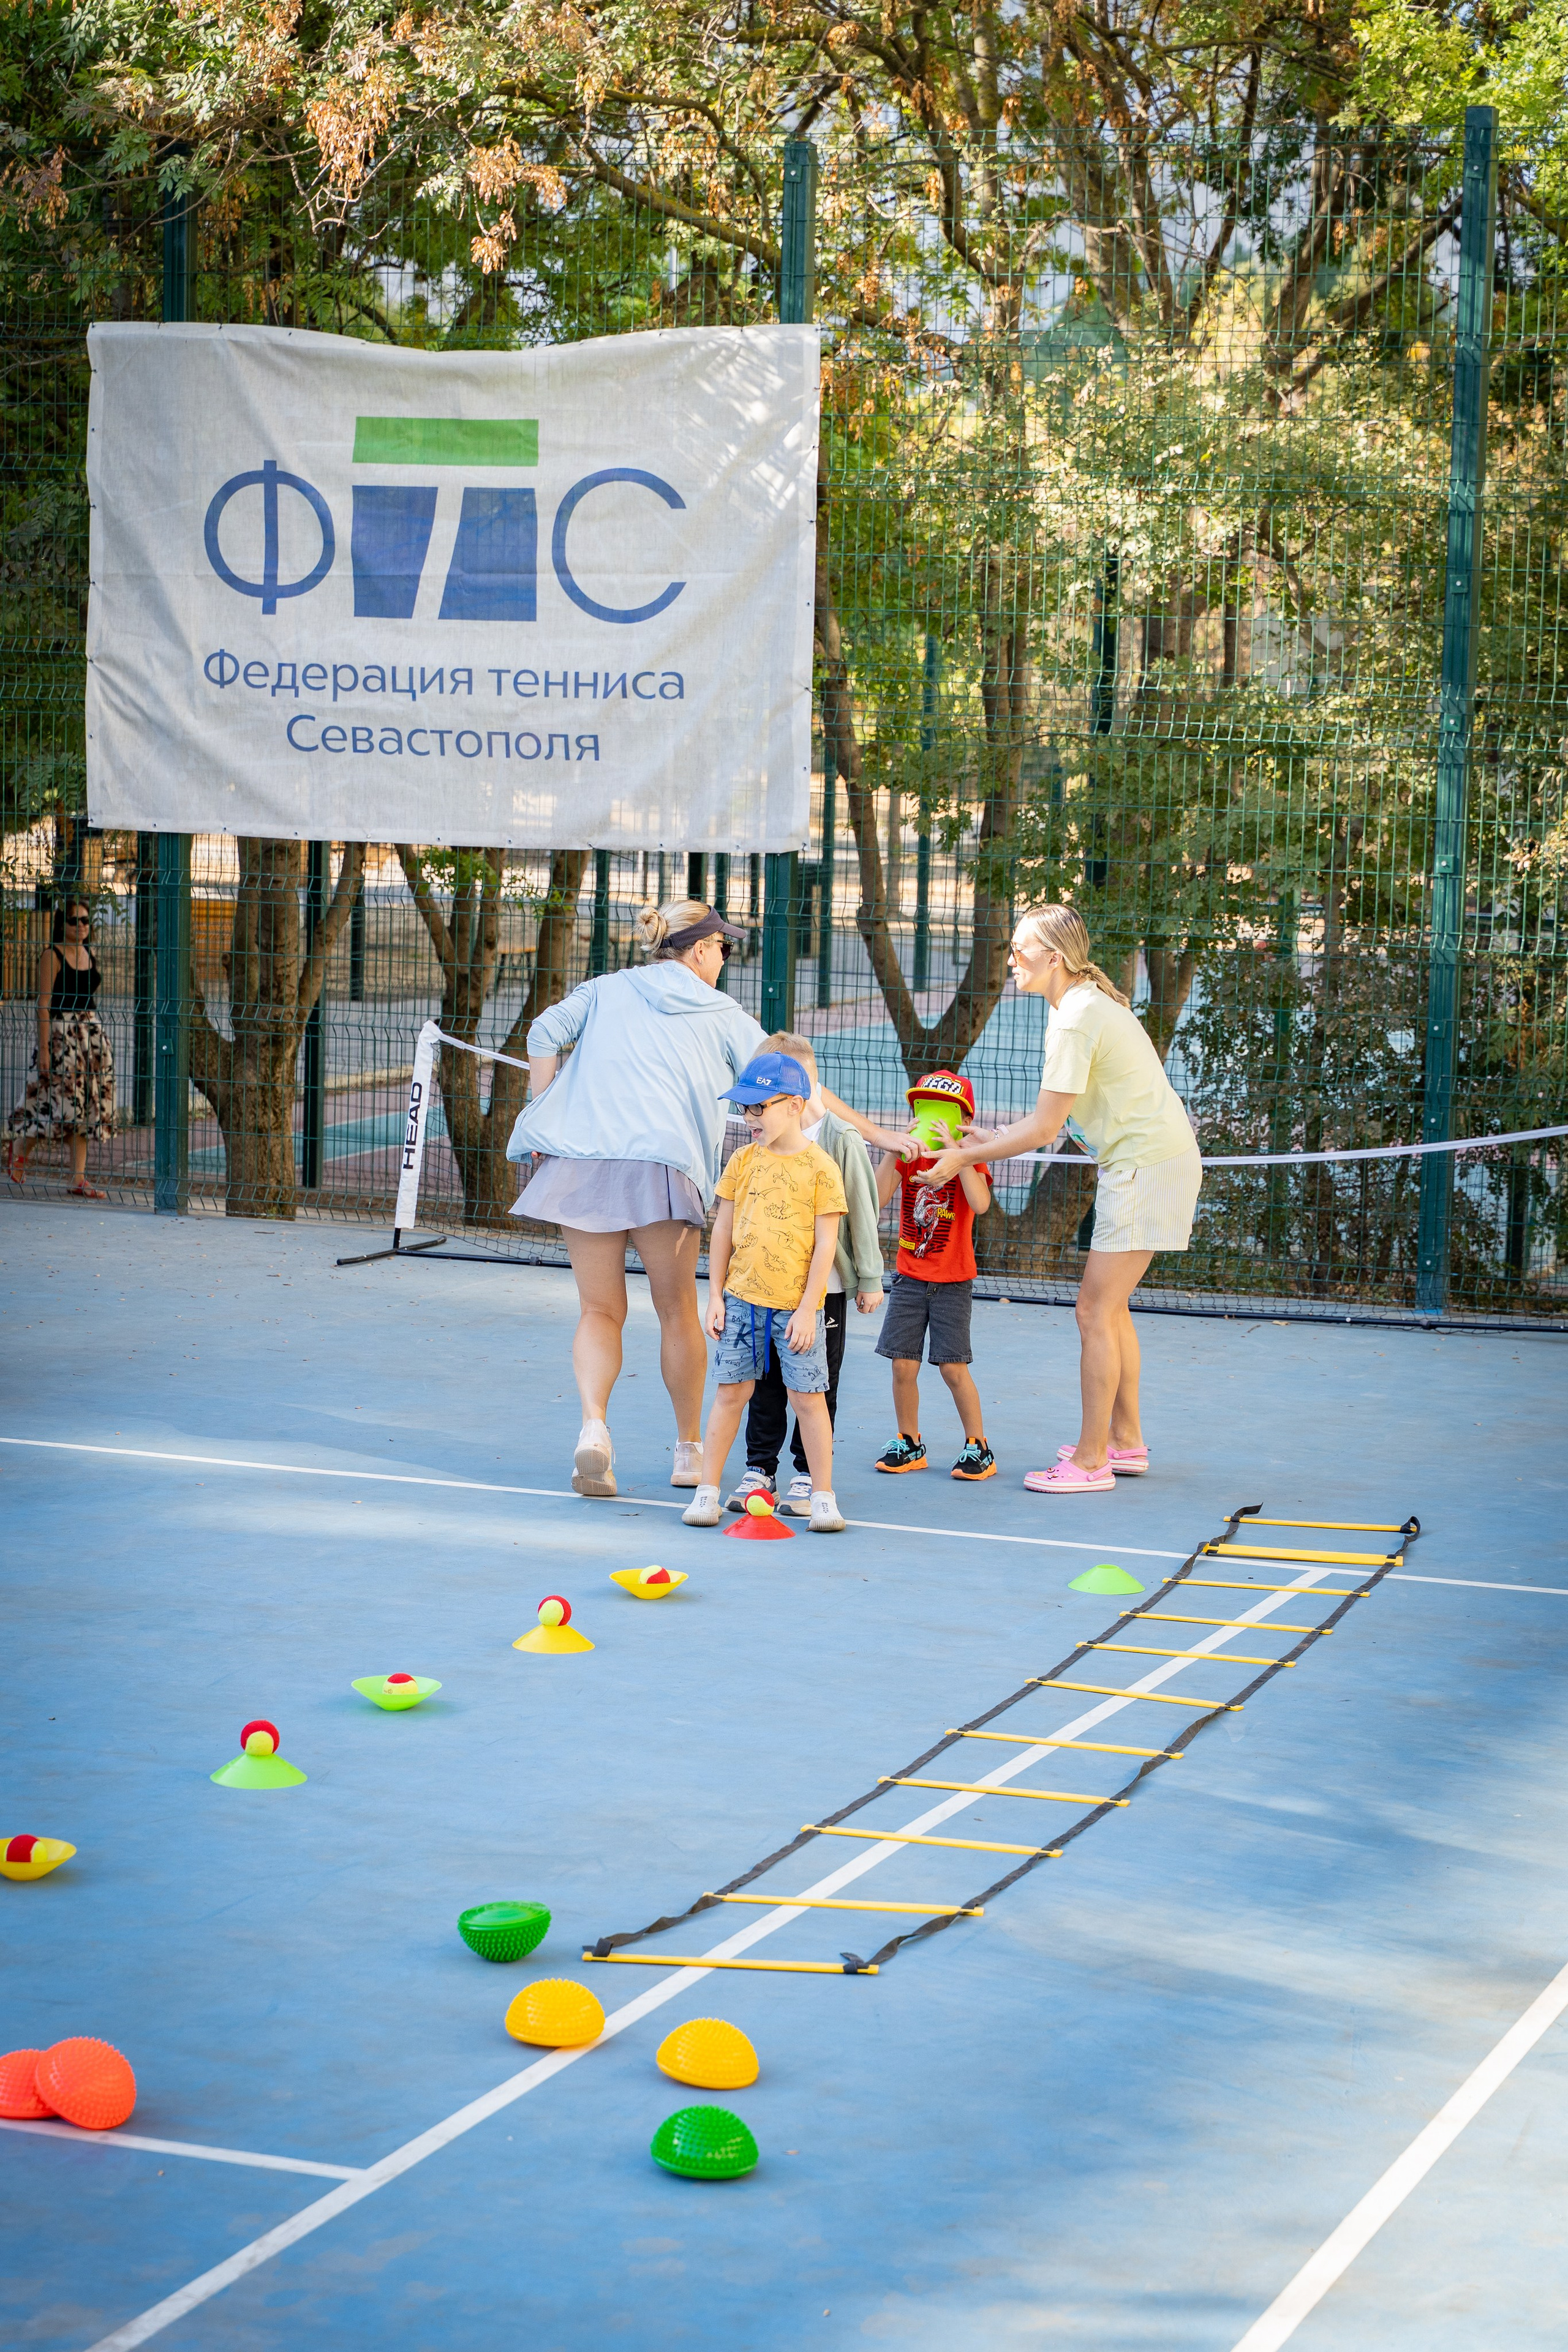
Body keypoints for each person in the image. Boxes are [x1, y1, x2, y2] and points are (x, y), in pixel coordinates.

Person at [505, 897, 904, 1500]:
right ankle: (689, 1450)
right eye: (722, 947)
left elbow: (541, 1033)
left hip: (581, 1162)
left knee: (598, 1311)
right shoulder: (722, 1012)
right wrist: (875, 1135)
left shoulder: (607, 988)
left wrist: (542, 1110)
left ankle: (593, 1426)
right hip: (663, 1168)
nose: (725, 957)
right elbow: (795, 1082)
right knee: (674, 1311)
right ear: (696, 950)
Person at [922, 905, 1201, 1493]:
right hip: (1151, 1162)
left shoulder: (1077, 1017)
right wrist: (995, 1139)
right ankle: (1123, 1442)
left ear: (1054, 958)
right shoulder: (1081, 1007)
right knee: (1112, 1306)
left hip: (1145, 1169)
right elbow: (1061, 1117)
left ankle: (1093, 1460)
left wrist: (966, 1156)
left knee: (1092, 1310)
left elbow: (1048, 1129)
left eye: (1020, 948)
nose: (1011, 958)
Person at [681, 1052, 848, 1534]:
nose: (750, 1118)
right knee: (730, 1394)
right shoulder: (742, 1161)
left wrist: (805, 1309)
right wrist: (715, 1296)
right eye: (746, 1109)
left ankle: (822, 1495)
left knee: (809, 1400)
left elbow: (825, 1247)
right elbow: (722, 1231)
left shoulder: (821, 1168)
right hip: (741, 1303)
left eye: (760, 1108)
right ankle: (707, 1491)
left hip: (797, 1311)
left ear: (795, 1105)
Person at [726, 1030, 884, 1518]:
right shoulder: (759, 1144)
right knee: (766, 1379)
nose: (752, 1112)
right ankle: (760, 1467)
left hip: (824, 1291)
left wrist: (869, 1278)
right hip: (764, 1290)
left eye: (762, 1100)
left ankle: (806, 1474)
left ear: (801, 1092)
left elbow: (862, 1207)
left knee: (818, 1384)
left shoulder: (839, 1139)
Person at [872, 1069, 996, 1480]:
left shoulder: (970, 1160)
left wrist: (958, 1154)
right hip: (909, 1279)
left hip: (953, 1282)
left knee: (952, 1367)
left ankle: (978, 1447)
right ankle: (909, 1442)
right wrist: (896, 1148)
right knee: (902, 1367)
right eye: (926, 1108)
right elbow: (877, 1197)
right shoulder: (910, 1157)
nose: (933, 1117)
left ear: (962, 1118)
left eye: (945, 1111)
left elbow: (979, 1204)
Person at [4, 897, 114, 1199]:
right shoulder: (51, 956)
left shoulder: (88, 953)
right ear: (61, 924)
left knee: (84, 1108)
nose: (80, 926)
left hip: (90, 1038)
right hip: (61, 1037)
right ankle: (21, 1149)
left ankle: (78, 1178)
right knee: (54, 1107)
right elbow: (43, 1005)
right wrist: (43, 1049)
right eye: (73, 920)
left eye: (85, 921)